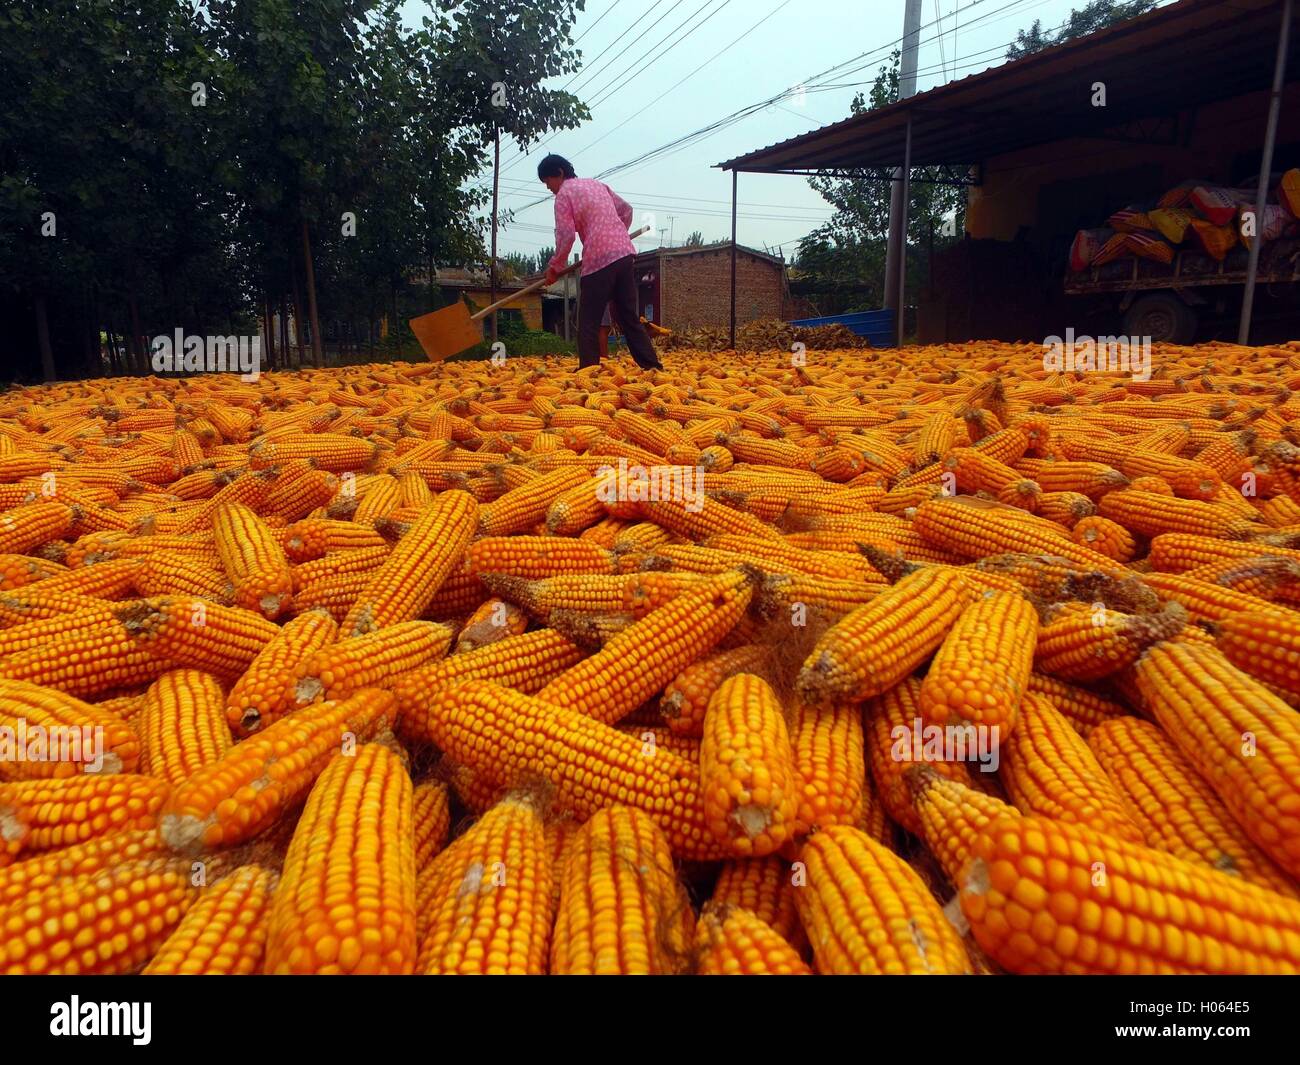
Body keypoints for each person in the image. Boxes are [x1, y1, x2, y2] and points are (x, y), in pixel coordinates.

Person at [539, 154, 662, 371]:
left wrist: (555, 267)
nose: (549, 188)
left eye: (548, 181)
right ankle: (652, 366)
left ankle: (588, 370)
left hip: (598, 260)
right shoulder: (597, 184)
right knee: (628, 316)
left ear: (559, 173)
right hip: (624, 254)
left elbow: (566, 236)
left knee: (588, 320)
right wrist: (616, 235)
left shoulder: (564, 195)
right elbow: (626, 210)